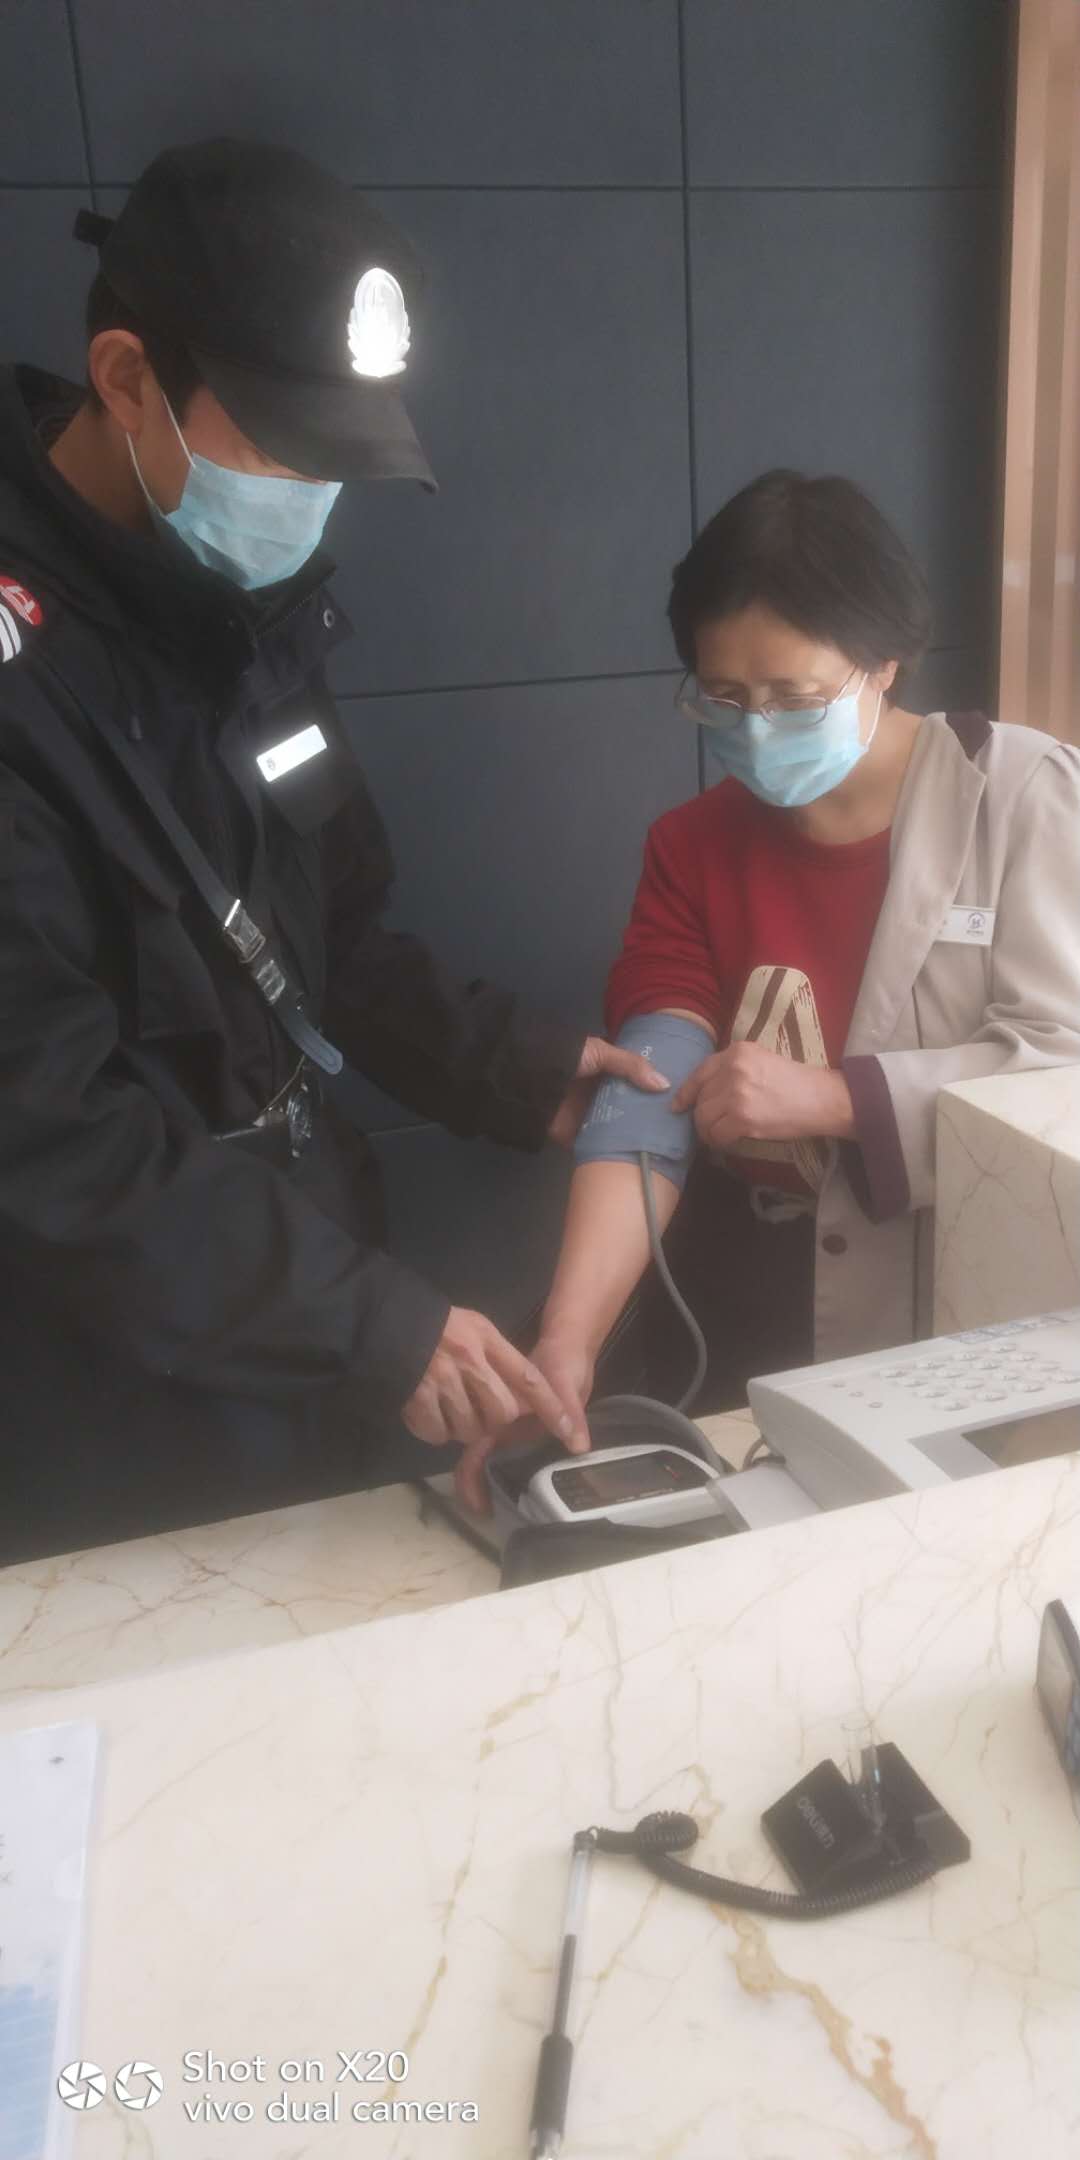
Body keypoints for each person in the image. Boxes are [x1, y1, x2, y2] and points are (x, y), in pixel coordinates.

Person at [0, 138, 665, 1565]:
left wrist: (514, 1066)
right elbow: (44, 1140)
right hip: (103, 1398)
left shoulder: (247, 603)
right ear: (127, 380)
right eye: (286, 451)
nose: (310, 500)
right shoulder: (23, 686)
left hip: (307, 1301)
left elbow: (328, 935)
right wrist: (368, 1326)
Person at [454, 470, 1080, 1499]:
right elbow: (646, 1095)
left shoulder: (1020, 798)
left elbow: (1060, 1068)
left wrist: (833, 1099)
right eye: (725, 699)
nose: (754, 730)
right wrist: (568, 1339)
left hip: (944, 1287)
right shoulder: (691, 846)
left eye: (793, 699)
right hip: (740, 1281)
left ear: (885, 660)